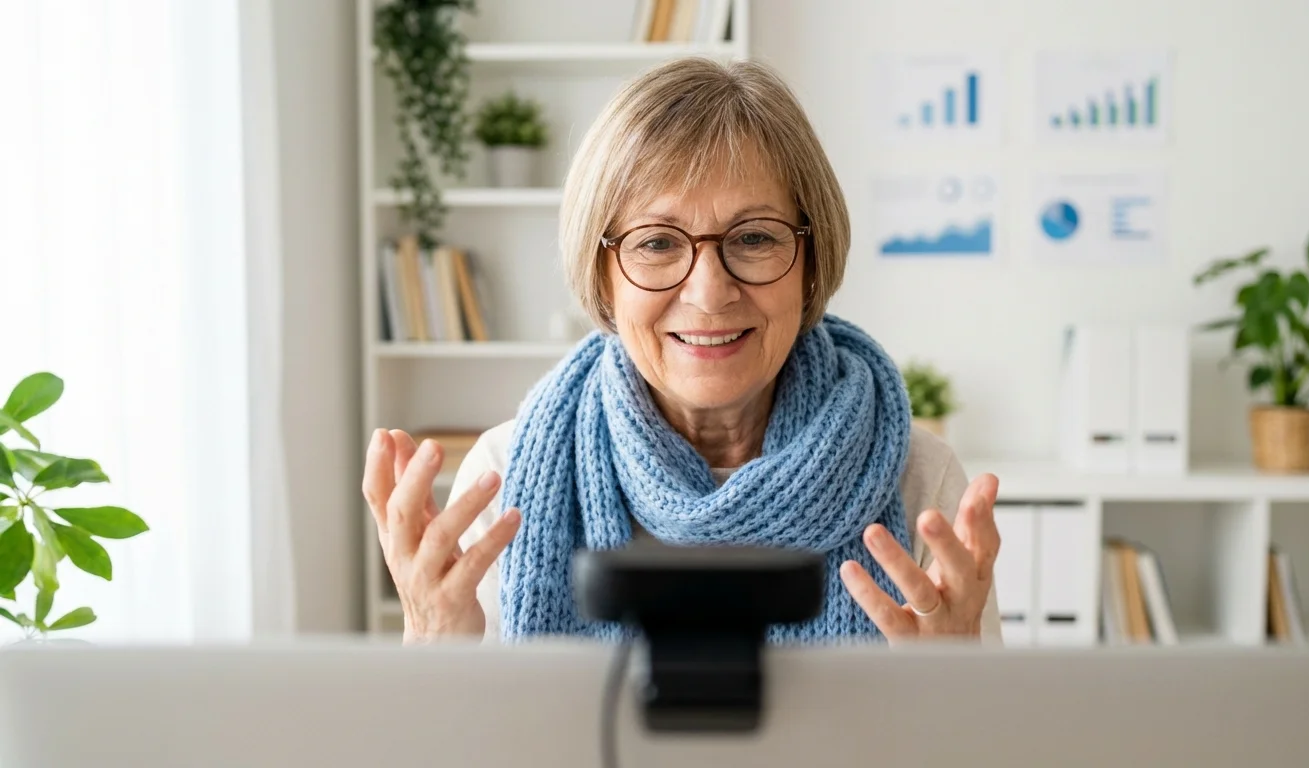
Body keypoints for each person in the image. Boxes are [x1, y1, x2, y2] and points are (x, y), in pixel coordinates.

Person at [362, 56, 1002, 646]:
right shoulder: (504, 477)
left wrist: (953, 686)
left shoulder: (921, 481)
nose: (709, 293)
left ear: (810, 262)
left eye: (753, 238)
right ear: (602, 273)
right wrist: (434, 643)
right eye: (657, 243)